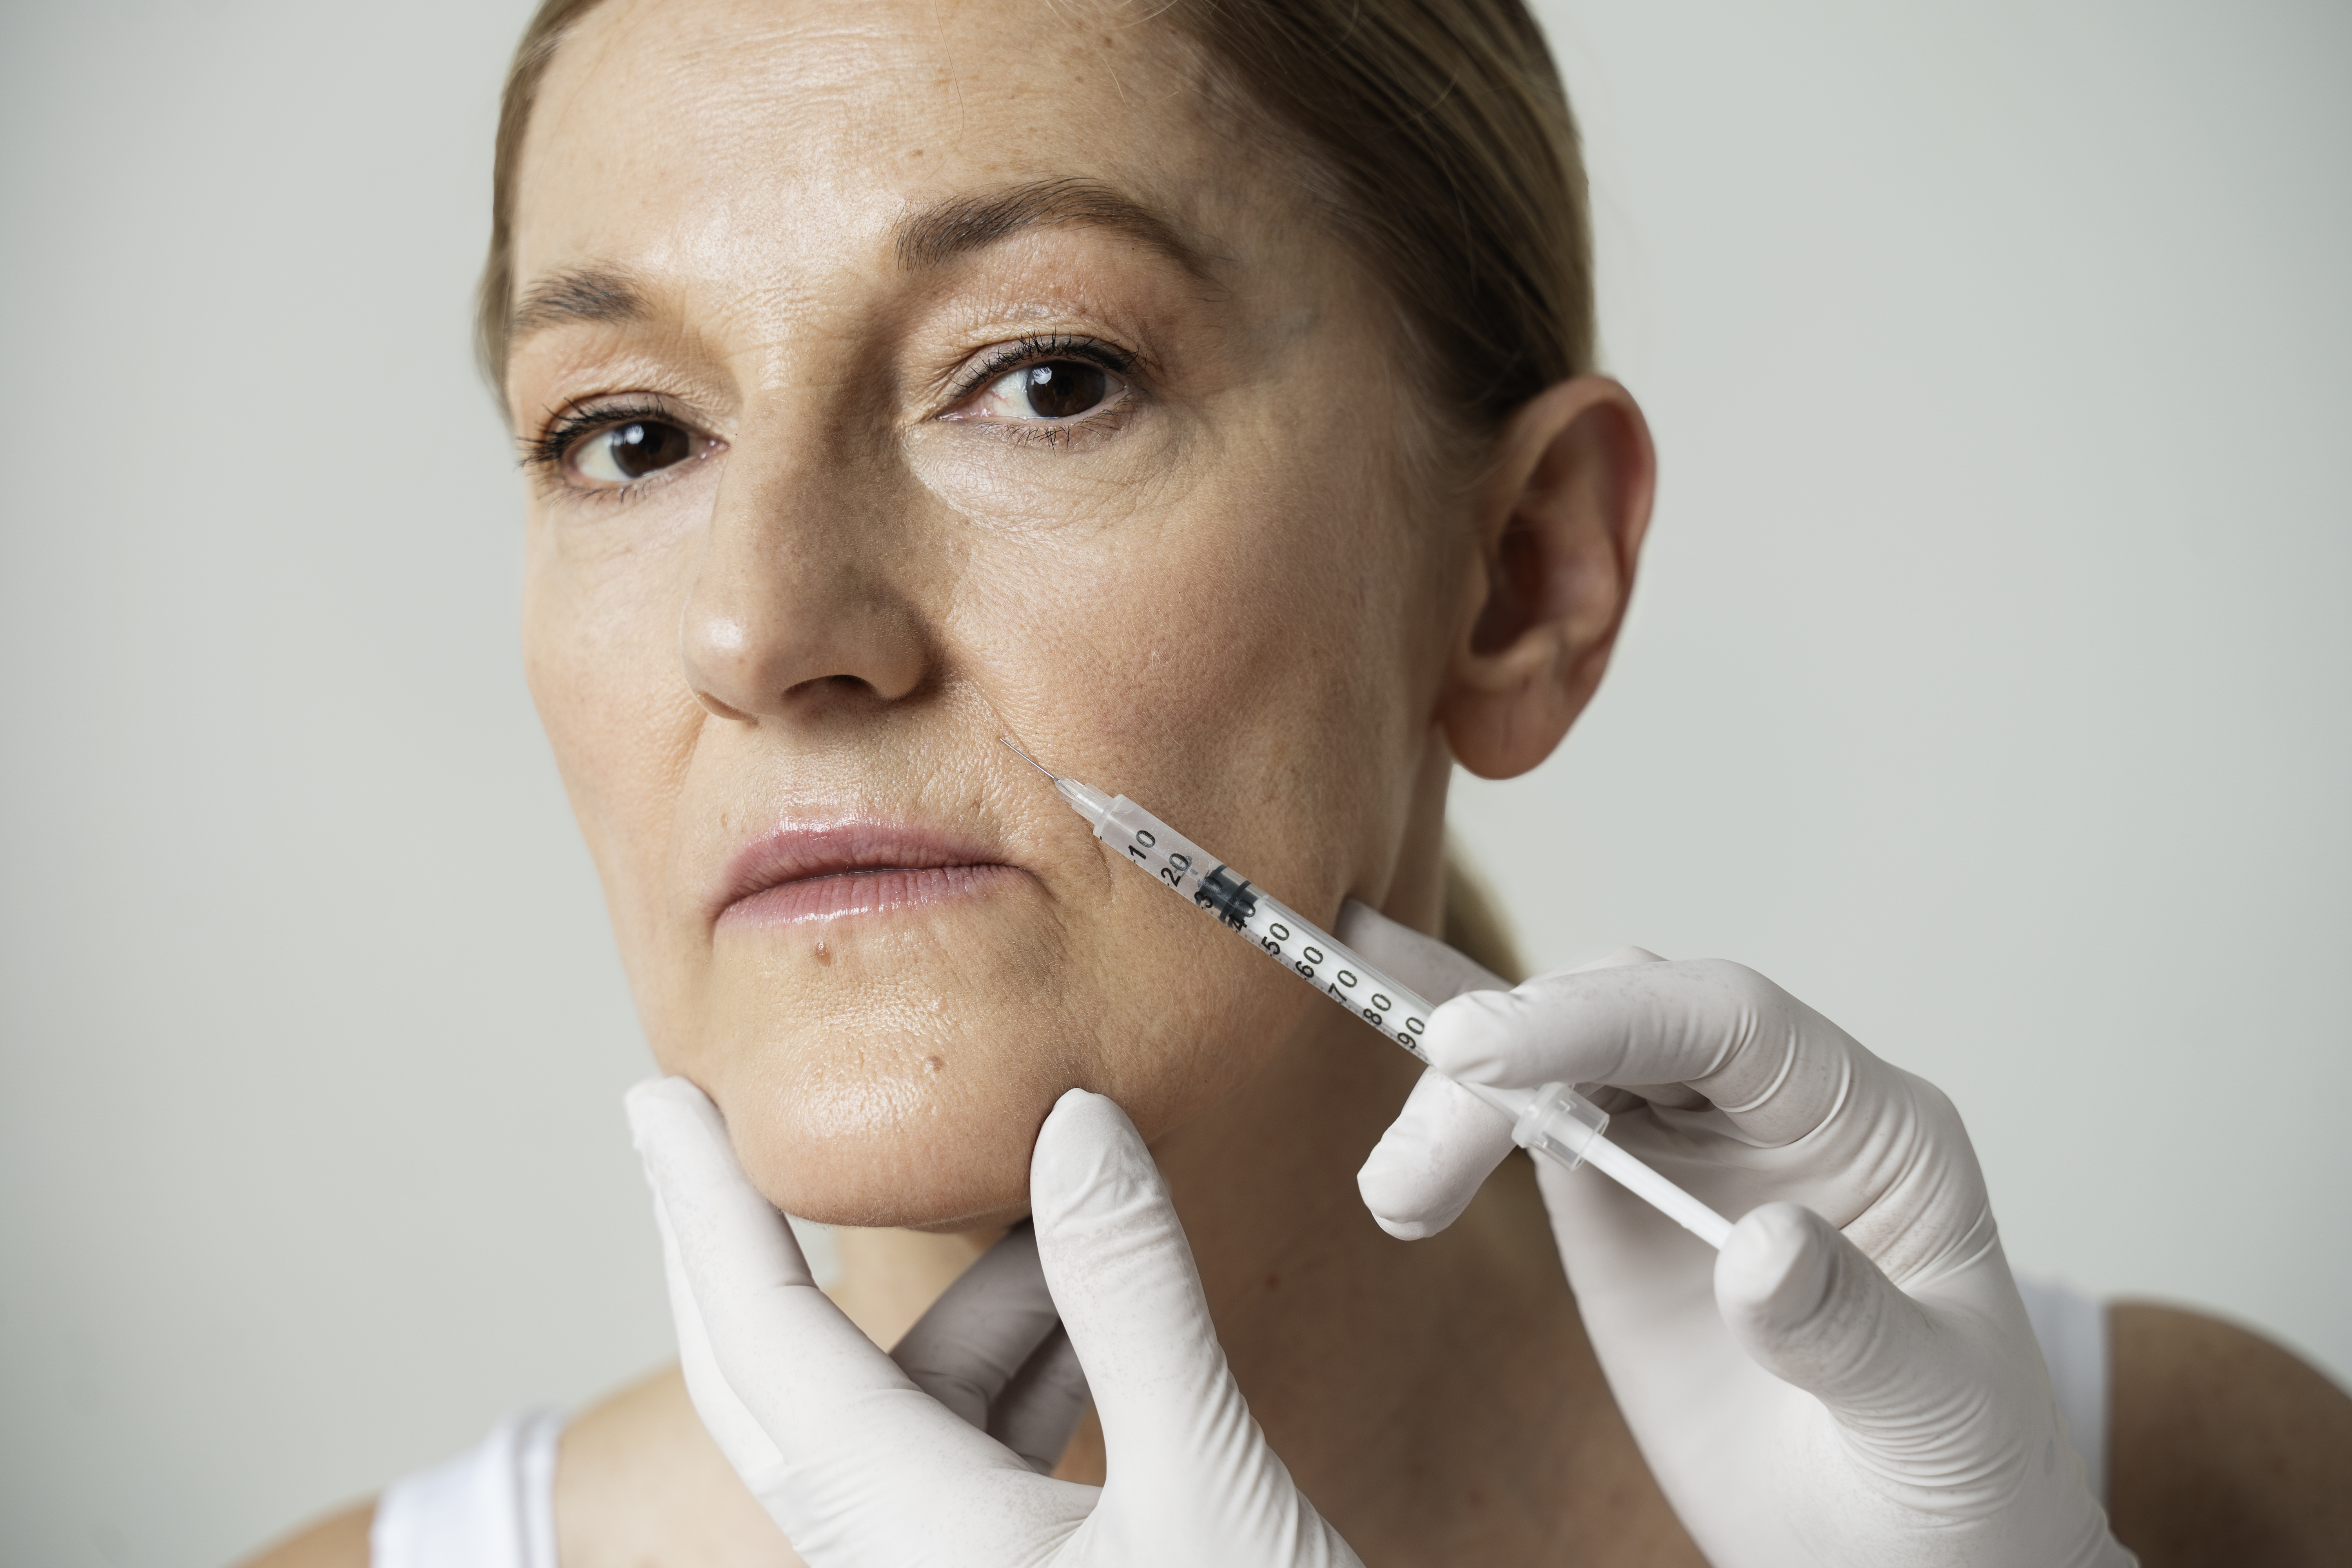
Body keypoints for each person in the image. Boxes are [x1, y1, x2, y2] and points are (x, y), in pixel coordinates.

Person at [242, 0, 2352, 1563]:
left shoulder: (2181, 1492)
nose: (767, 625)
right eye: (626, 434)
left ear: (1518, 577)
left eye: (1049, 379)